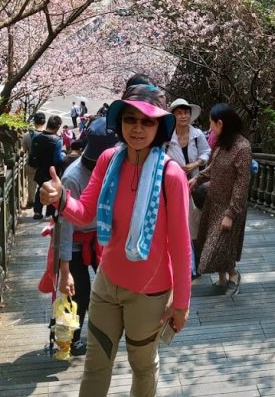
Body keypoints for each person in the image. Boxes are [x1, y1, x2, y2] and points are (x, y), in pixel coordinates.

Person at [39, 83, 192, 397]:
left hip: (149, 293)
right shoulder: (109, 160)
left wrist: (181, 304)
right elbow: (85, 213)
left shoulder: (171, 175)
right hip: (106, 284)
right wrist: (61, 199)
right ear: (120, 122)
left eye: (147, 121)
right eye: (130, 119)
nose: (137, 128)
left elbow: (180, 244)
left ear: (160, 126)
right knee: (96, 364)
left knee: (143, 365)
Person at [55, 117, 120, 356]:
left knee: (110, 287)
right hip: (75, 241)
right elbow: (65, 226)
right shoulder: (73, 176)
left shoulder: (120, 167)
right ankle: (70, 338)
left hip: (101, 238)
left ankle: (104, 332)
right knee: (77, 291)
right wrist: (65, 271)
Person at [190, 104, 252, 294]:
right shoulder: (222, 144)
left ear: (221, 123)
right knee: (217, 245)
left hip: (229, 206)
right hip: (213, 202)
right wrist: (197, 178)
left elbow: (242, 184)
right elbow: (213, 169)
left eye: (212, 124)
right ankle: (222, 278)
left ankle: (233, 274)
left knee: (215, 248)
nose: (210, 128)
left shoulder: (242, 148)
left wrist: (231, 213)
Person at [31, 114, 65, 221]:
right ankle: (50, 213)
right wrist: (64, 155)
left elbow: (33, 153)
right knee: (52, 190)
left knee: (40, 188)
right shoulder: (57, 140)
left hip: (40, 169)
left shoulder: (37, 137)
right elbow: (57, 159)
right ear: (58, 126)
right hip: (52, 171)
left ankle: (37, 211)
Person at [166, 98, 210, 177]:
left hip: (194, 179)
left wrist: (196, 164)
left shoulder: (198, 134)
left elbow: (206, 152)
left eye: (186, 112)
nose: (183, 116)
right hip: (173, 179)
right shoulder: (166, 137)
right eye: (179, 113)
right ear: (173, 116)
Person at [21, 112, 48, 210]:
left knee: (31, 183)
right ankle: (43, 201)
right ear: (44, 121)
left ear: (34, 122)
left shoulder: (27, 135)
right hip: (45, 164)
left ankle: (31, 201)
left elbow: (23, 150)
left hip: (31, 163)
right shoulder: (48, 134)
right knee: (44, 183)